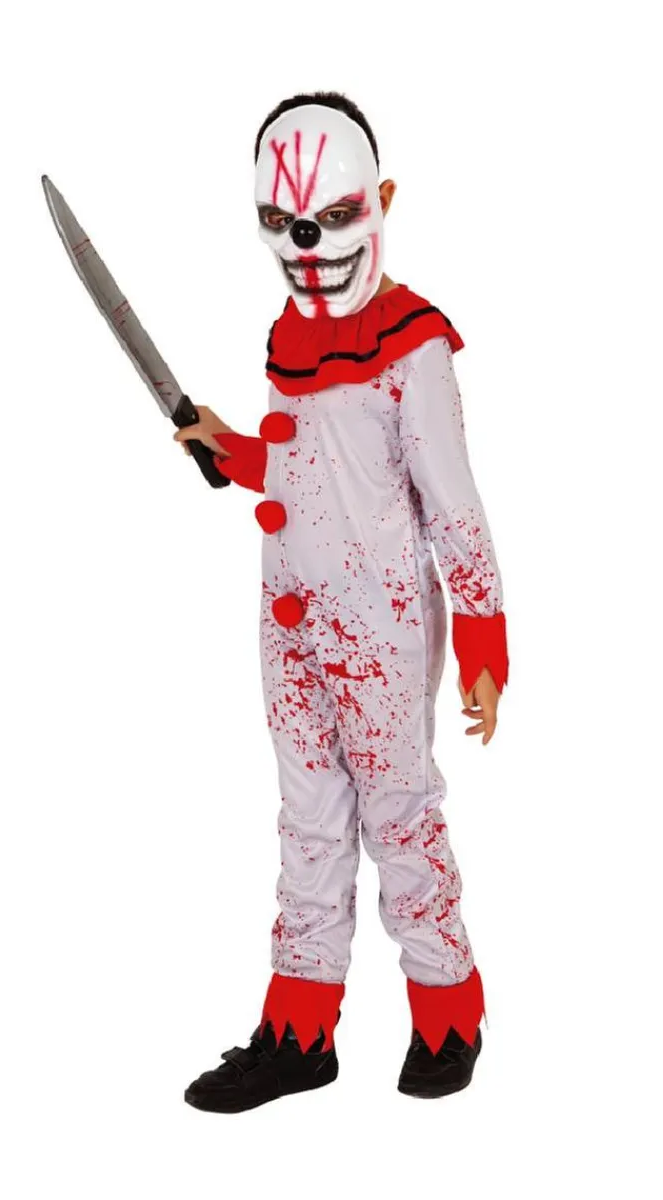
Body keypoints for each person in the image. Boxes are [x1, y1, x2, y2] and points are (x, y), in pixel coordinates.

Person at [176, 92, 509, 1113]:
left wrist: (485, 639)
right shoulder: (288, 333)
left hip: (382, 631)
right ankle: (299, 1032)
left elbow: (451, 503)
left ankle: (448, 1011)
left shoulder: (413, 344)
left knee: (399, 819)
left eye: (332, 216)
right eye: (282, 222)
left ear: (383, 200)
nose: (309, 244)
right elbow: (313, 467)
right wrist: (233, 451)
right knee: (310, 825)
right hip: (291, 627)